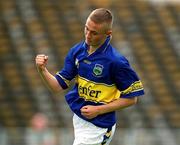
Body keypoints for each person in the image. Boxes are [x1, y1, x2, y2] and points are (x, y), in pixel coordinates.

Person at [35, 8, 145, 145]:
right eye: (86, 29)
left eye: (94, 33)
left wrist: (98, 109)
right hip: (79, 119)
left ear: (108, 34)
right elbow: (57, 86)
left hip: (99, 126)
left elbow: (131, 99)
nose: (88, 35)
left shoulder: (116, 62)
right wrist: (42, 70)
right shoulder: (77, 51)